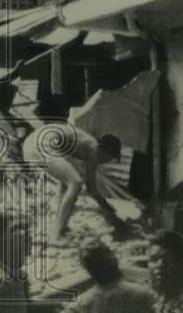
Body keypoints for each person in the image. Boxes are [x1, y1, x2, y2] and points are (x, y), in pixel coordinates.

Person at [21, 97, 123, 242]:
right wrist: (109, 209)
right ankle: (57, 233)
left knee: (67, 182)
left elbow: (69, 183)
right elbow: (91, 187)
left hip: (31, 144)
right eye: (108, 159)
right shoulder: (93, 146)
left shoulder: (82, 143)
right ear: (105, 151)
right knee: (75, 182)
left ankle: (60, 225)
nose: (105, 162)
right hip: (39, 145)